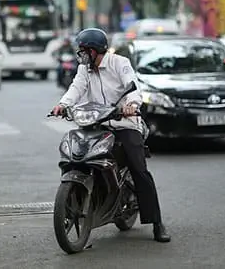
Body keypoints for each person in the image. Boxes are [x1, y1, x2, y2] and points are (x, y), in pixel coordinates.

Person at [50, 28, 171, 243]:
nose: (82, 55)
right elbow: (76, 89)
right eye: (81, 52)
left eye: (85, 51)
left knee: (139, 169)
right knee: (75, 156)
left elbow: (132, 86)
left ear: (97, 50)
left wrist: (131, 105)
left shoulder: (119, 63)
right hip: (95, 123)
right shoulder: (84, 69)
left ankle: (156, 222)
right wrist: (63, 104)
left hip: (124, 123)